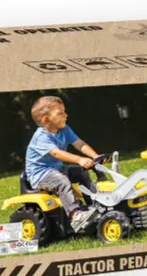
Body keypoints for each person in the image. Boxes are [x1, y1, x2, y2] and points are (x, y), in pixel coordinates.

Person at [25, 95, 104, 231]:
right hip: (41, 175)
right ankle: (75, 215)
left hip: (58, 169)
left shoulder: (64, 129)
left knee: (82, 173)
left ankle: (95, 204)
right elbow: (57, 153)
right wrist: (80, 159)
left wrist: (95, 156)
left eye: (64, 112)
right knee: (62, 181)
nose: (66, 115)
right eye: (60, 113)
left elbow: (79, 144)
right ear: (46, 120)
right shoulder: (41, 137)